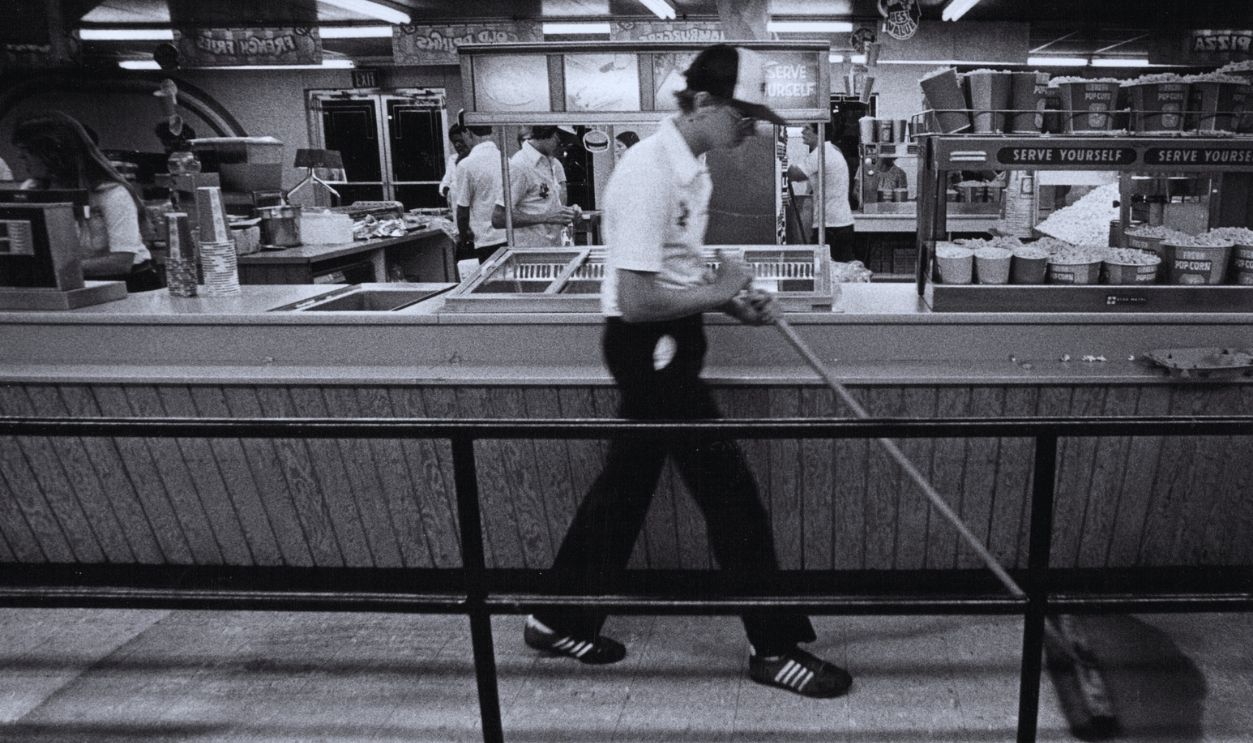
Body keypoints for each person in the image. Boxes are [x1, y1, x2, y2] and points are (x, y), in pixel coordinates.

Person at [522, 43, 853, 700]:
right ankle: (773, 647)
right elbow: (639, 300)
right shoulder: (648, 171)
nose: (751, 126)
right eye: (742, 113)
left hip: (668, 341)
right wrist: (721, 287)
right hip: (650, 348)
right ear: (702, 102)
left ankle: (553, 617)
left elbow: (672, 273)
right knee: (731, 497)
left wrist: (731, 297)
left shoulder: (689, 167)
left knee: (624, 491)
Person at [12, 111, 160, 292]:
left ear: (53, 154)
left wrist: (53, 269)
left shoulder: (111, 193)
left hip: (129, 285)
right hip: (70, 282)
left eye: (27, 153)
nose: (21, 159)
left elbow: (121, 261)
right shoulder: (31, 190)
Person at [492, 125, 578, 247]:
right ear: (555, 137)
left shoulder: (551, 163)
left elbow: (545, 204)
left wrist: (568, 213)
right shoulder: (520, 165)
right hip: (530, 252)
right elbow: (498, 217)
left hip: (553, 248)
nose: (563, 150)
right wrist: (545, 218)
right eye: (563, 144)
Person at [787, 123, 856, 261]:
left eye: (807, 128)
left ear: (820, 132)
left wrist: (780, 157)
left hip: (829, 226)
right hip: (842, 222)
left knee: (820, 270)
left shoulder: (820, 153)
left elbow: (795, 175)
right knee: (839, 271)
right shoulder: (834, 150)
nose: (802, 131)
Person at [452, 123, 506, 263]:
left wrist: (463, 239)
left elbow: (462, 211)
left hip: (484, 241)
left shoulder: (466, 165)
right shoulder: (506, 160)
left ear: (467, 133)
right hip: (508, 236)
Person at [438, 123, 468, 209]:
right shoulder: (452, 159)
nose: (457, 145)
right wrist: (447, 190)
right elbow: (445, 183)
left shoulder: (475, 159)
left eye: (460, 141)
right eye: (454, 142)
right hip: (457, 207)